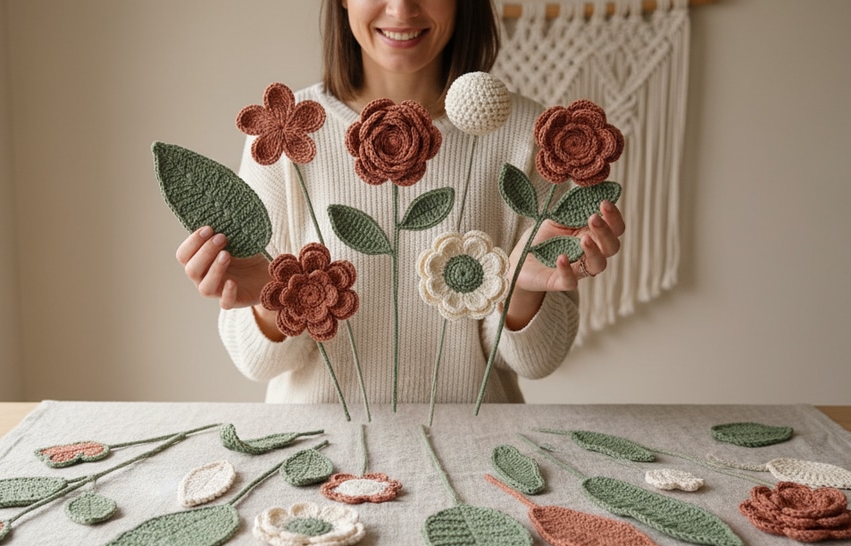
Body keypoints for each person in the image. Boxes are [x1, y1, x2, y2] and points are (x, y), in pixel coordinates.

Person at [175, 0, 625, 407]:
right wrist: (272, 302)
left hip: (476, 452)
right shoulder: (285, 132)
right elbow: (258, 364)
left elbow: (537, 361)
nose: (401, 8)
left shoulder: (529, 135)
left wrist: (521, 291)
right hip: (317, 453)